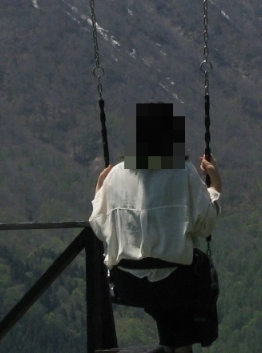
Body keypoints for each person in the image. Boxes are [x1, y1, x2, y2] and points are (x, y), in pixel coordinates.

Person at [90, 102, 222, 353]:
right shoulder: (184, 173)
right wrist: (214, 186)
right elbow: (206, 226)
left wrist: (100, 190)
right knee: (185, 280)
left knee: (168, 305)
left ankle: (170, 346)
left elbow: (99, 227)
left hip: (127, 283)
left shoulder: (115, 176)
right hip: (177, 283)